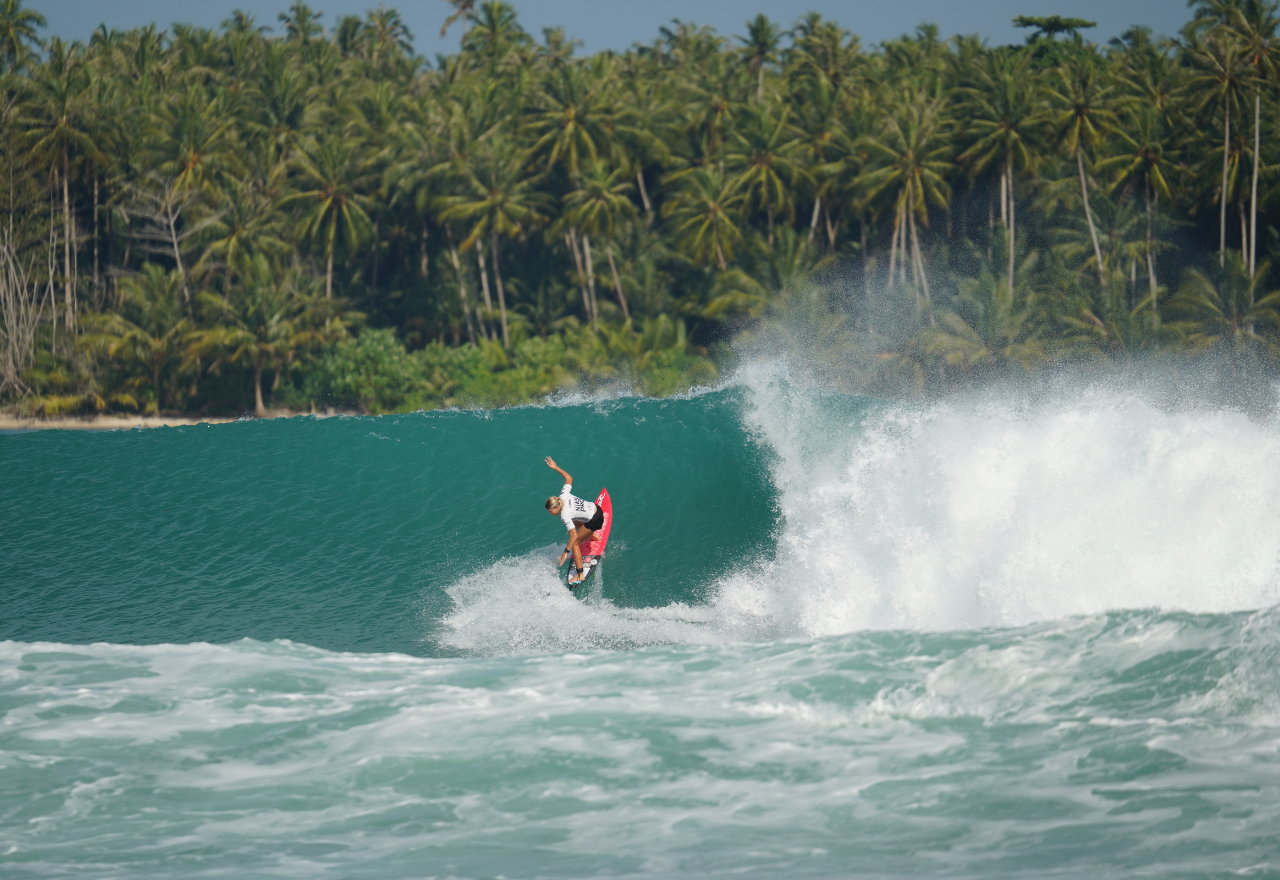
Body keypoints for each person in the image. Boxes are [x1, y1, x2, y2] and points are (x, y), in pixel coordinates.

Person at [544, 456, 603, 586]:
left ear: (557, 507)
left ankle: (580, 574)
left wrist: (566, 551)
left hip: (595, 520)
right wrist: (556, 467)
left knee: (575, 543)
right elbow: (569, 478)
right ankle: (592, 536)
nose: (550, 514)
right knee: (576, 519)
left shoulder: (564, 515)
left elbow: (574, 535)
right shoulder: (563, 495)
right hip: (597, 509)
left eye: (551, 511)